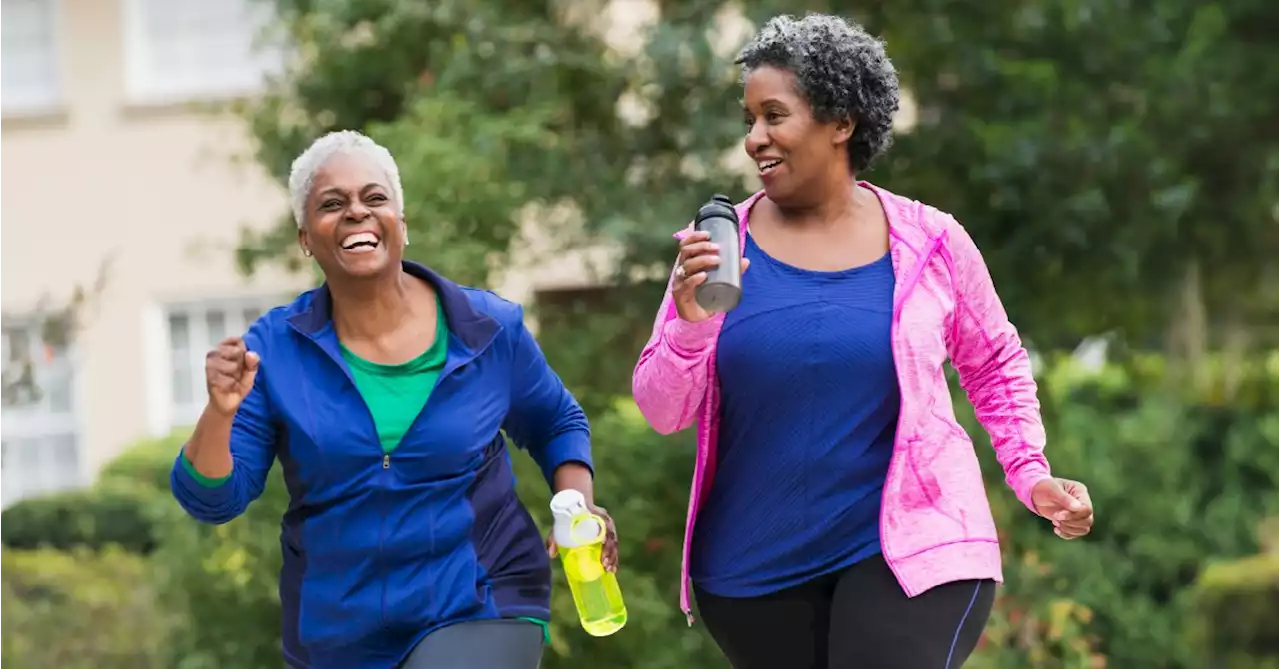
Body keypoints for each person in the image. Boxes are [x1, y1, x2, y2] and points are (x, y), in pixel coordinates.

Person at [631, 13, 1095, 669]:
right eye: (749, 120)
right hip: (750, 573)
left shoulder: (931, 243)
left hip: (912, 552)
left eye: (774, 116)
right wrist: (690, 322)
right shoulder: (716, 245)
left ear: (841, 123)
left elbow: (993, 363)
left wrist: (1030, 471)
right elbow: (661, 408)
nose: (753, 139)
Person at [170, 130, 617, 669]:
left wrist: (577, 501)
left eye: (374, 198)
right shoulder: (274, 351)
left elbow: (555, 421)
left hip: (481, 599)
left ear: (401, 224)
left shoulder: (485, 329)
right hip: (336, 633)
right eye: (331, 204)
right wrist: (220, 413)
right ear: (306, 238)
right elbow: (214, 500)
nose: (356, 212)